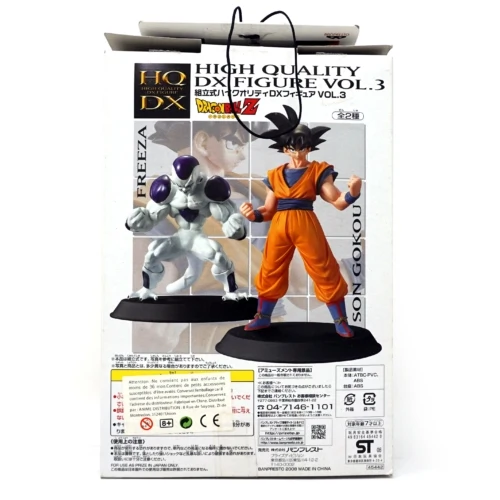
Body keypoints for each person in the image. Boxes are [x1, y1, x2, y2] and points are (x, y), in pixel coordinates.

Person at [240, 105, 362, 337]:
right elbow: (268, 209)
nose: (297, 152)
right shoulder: (275, 174)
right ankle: (263, 317)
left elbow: (337, 201)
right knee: (270, 269)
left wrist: (353, 193)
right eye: (292, 147)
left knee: (323, 268)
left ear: (309, 147)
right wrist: (253, 214)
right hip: (279, 225)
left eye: (302, 147)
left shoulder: (318, 170)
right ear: (284, 148)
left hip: (305, 222)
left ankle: (340, 320)